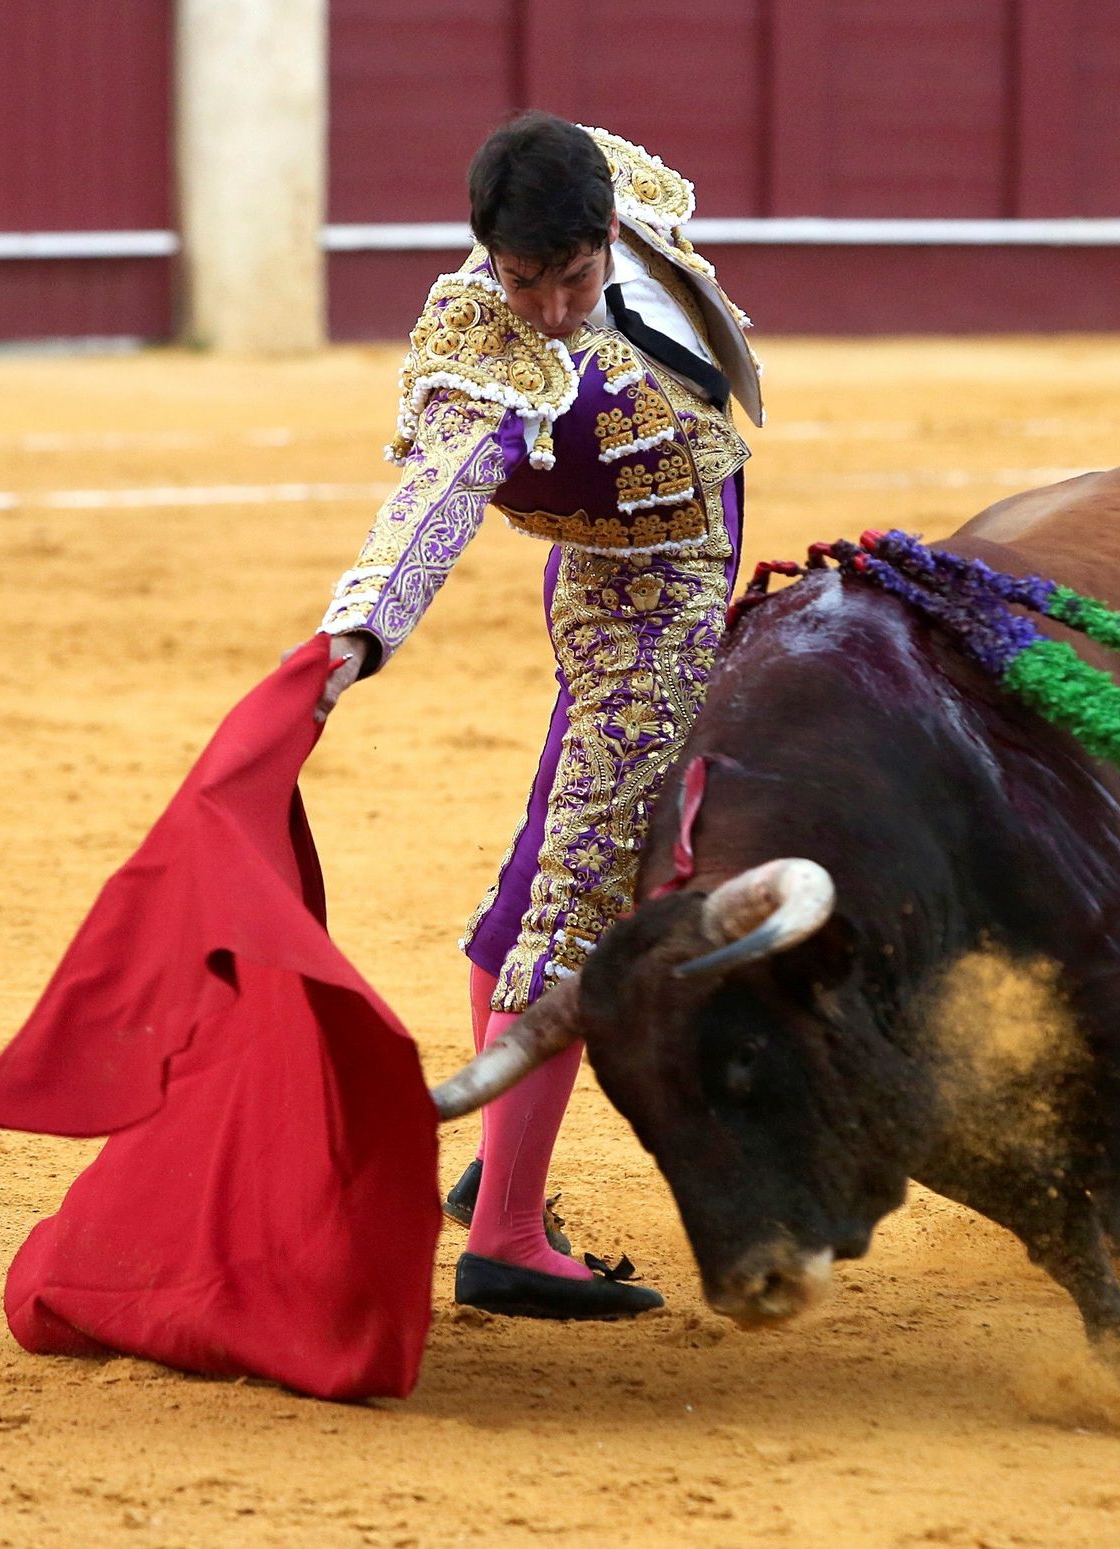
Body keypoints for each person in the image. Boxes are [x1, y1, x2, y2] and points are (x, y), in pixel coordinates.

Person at [316, 112, 763, 1319]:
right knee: (578, 898)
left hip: (682, 564)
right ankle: (508, 1231)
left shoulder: (612, 189)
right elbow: (436, 498)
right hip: (638, 611)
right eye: (522, 281)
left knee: (543, 875)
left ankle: (494, 1167)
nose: (551, 309)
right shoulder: (481, 349)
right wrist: (358, 633)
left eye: (571, 277)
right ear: (484, 255)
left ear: (605, 229)